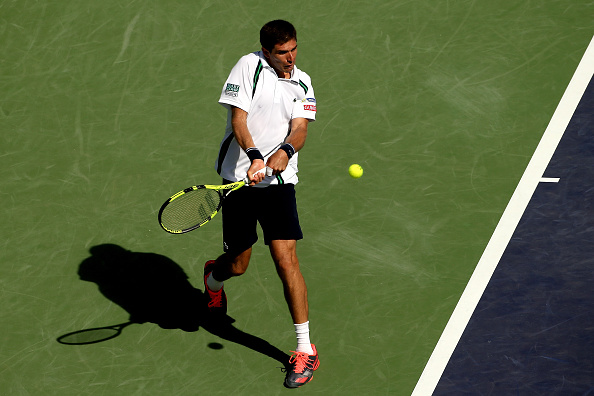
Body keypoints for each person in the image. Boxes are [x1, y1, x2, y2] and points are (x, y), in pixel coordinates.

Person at [204, 20, 319, 388]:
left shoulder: (302, 81)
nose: (291, 58)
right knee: (238, 264)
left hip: (279, 184)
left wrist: (285, 151)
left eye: (294, 49)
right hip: (238, 179)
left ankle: (305, 350)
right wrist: (255, 156)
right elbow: (239, 120)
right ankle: (213, 279)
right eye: (283, 52)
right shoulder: (248, 67)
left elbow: (299, 128)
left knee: (286, 259)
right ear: (267, 51)